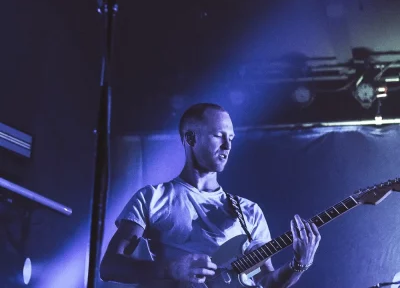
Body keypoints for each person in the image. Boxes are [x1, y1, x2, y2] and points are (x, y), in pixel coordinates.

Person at [100, 103, 321, 287]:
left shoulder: (248, 210)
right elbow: (109, 266)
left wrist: (298, 265)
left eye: (231, 138)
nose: (227, 146)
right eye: (218, 136)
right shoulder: (152, 197)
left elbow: (266, 281)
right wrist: (173, 269)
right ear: (190, 138)